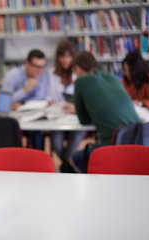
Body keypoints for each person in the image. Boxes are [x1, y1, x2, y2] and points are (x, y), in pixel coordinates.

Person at [65, 51, 141, 173]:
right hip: (138, 140)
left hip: (114, 144)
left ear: (77, 69)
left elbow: (84, 120)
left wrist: (80, 109)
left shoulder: (80, 82)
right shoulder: (113, 78)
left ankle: (98, 185)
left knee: (76, 158)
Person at [47, 41, 87, 173]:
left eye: (69, 56)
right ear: (57, 57)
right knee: (56, 142)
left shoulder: (79, 74)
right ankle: (67, 164)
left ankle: (65, 165)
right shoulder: (51, 74)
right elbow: (47, 94)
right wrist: (49, 101)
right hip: (58, 116)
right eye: (62, 56)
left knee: (76, 137)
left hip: (76, 116)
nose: (65, 60)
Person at [2, 49, 49, 149]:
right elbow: (5, 100)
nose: (39, 70)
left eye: (42, 67)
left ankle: (37, 161)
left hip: (32, 115)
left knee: (38, 133)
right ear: (27, 64)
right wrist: (26, 90)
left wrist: (22, 104)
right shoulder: (12, 75)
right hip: (13, 118)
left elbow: (40, 97)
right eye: (36, 66)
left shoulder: (43, 75)